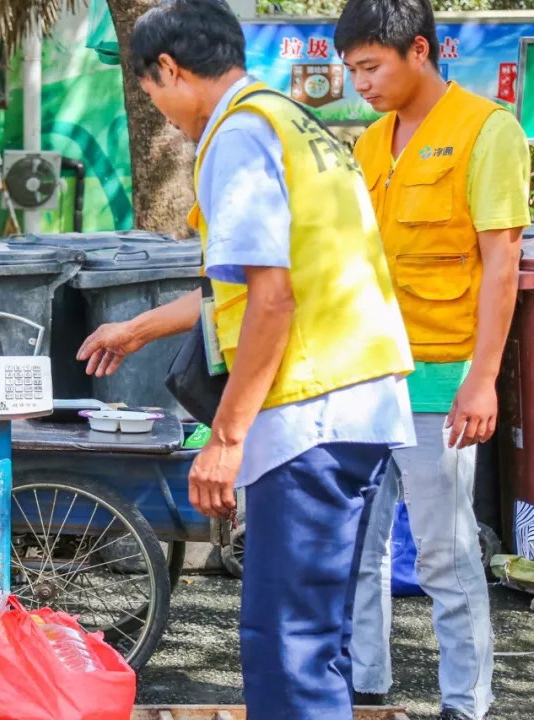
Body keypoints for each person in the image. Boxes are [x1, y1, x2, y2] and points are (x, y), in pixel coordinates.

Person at [76, 1, 416, 717]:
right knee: (318, 640)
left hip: (309, 412)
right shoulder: (291, 121)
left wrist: (226, 439)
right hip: (361, 400)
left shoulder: (236, 135)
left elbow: (272, 299)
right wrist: (137, 328)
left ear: (169, 69)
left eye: (150, 92)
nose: (161, 113)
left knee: (286, 646)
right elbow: (242, 288)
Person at [336, 1, 531, 718]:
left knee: (445, 552)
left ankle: (465, 704)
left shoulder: (488, 131)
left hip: (443, 376)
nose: (360, 84)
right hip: (365, 375)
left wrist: (482, 379)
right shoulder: (368, 144)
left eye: (370, 67)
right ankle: (364, 684)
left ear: (419, 50)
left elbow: (502, 263)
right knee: (358, 546)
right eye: (352, 70)